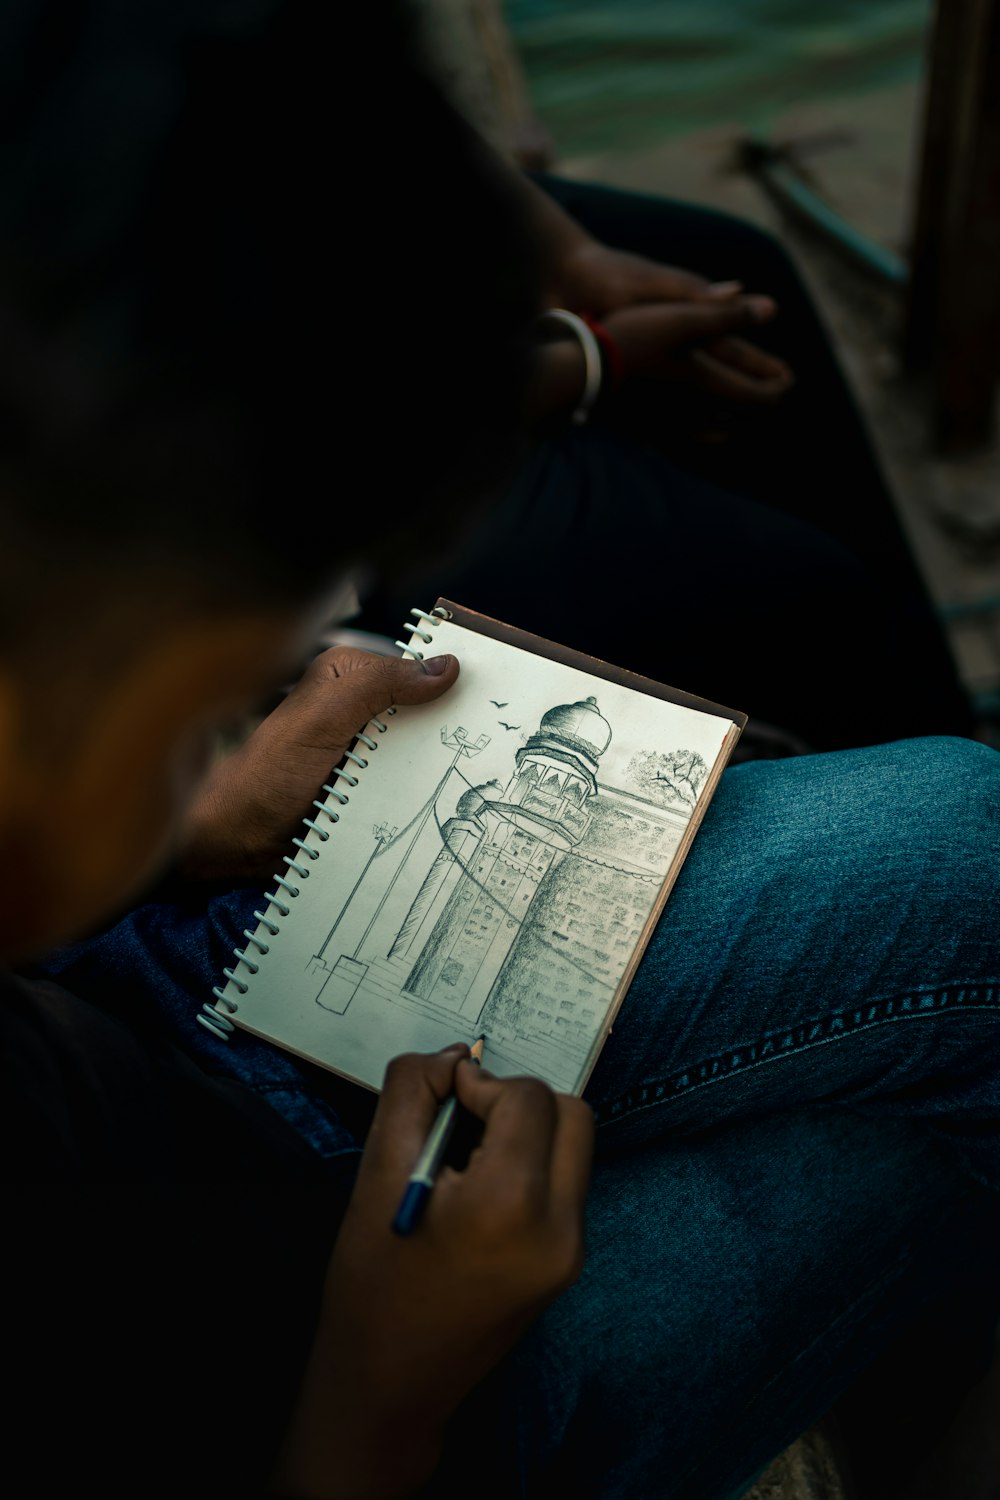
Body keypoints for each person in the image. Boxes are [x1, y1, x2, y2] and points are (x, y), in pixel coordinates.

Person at [4, 6, 1000, 1499]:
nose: (221, 736)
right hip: (339, 1366)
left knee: (964, 842)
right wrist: (378, 1401)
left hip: (159, 1011)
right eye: (192, 715)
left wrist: (189, 834)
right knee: (932, 1150)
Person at [352, 15, 977, 755]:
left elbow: (352, 82)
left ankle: (944, 728)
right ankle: (915, 788)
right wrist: (598, 357)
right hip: (319, 479)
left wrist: (572, 255)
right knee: (808, 591)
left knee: (734, 270)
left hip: (358, 270)